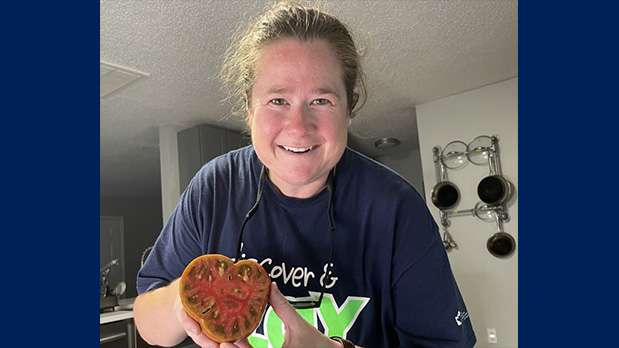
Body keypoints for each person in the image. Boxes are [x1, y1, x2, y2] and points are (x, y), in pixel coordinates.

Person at [133, 1, 476, 347]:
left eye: (321, 101)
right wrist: (188, 299)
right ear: (250, 109)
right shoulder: (214, 187)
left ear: (349, 110)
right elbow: (148, 319)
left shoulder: (396, 208)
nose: (298, 127)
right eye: (278, 101)